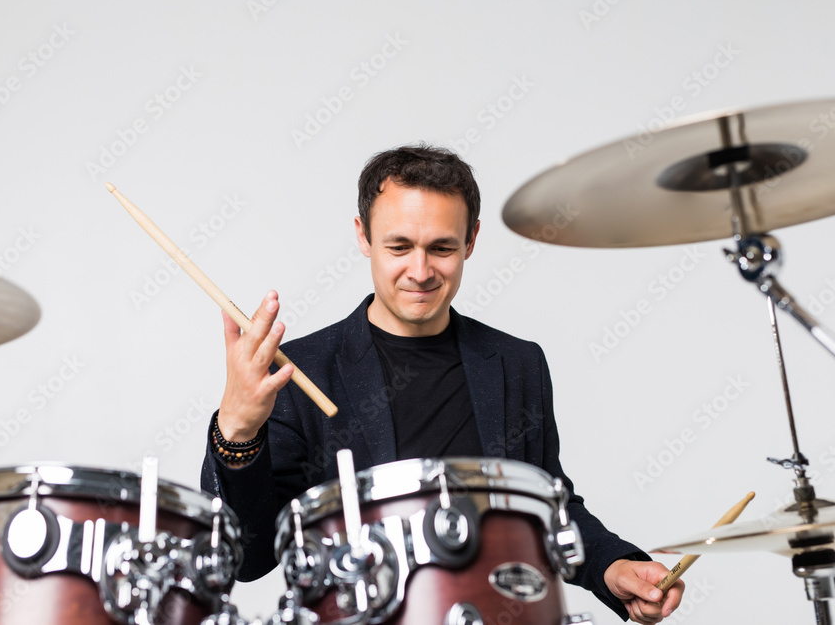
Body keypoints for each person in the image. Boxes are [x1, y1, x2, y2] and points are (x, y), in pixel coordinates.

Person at [200, 144, 684, 623]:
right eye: (399, 246)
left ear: (471, 240)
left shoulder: (518, 364)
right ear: (363, 236)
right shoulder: (299, 370)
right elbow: (249, 558)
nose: (421, 270)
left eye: (442, 247)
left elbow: (548, 509)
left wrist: (611, 565)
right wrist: (237, 432)